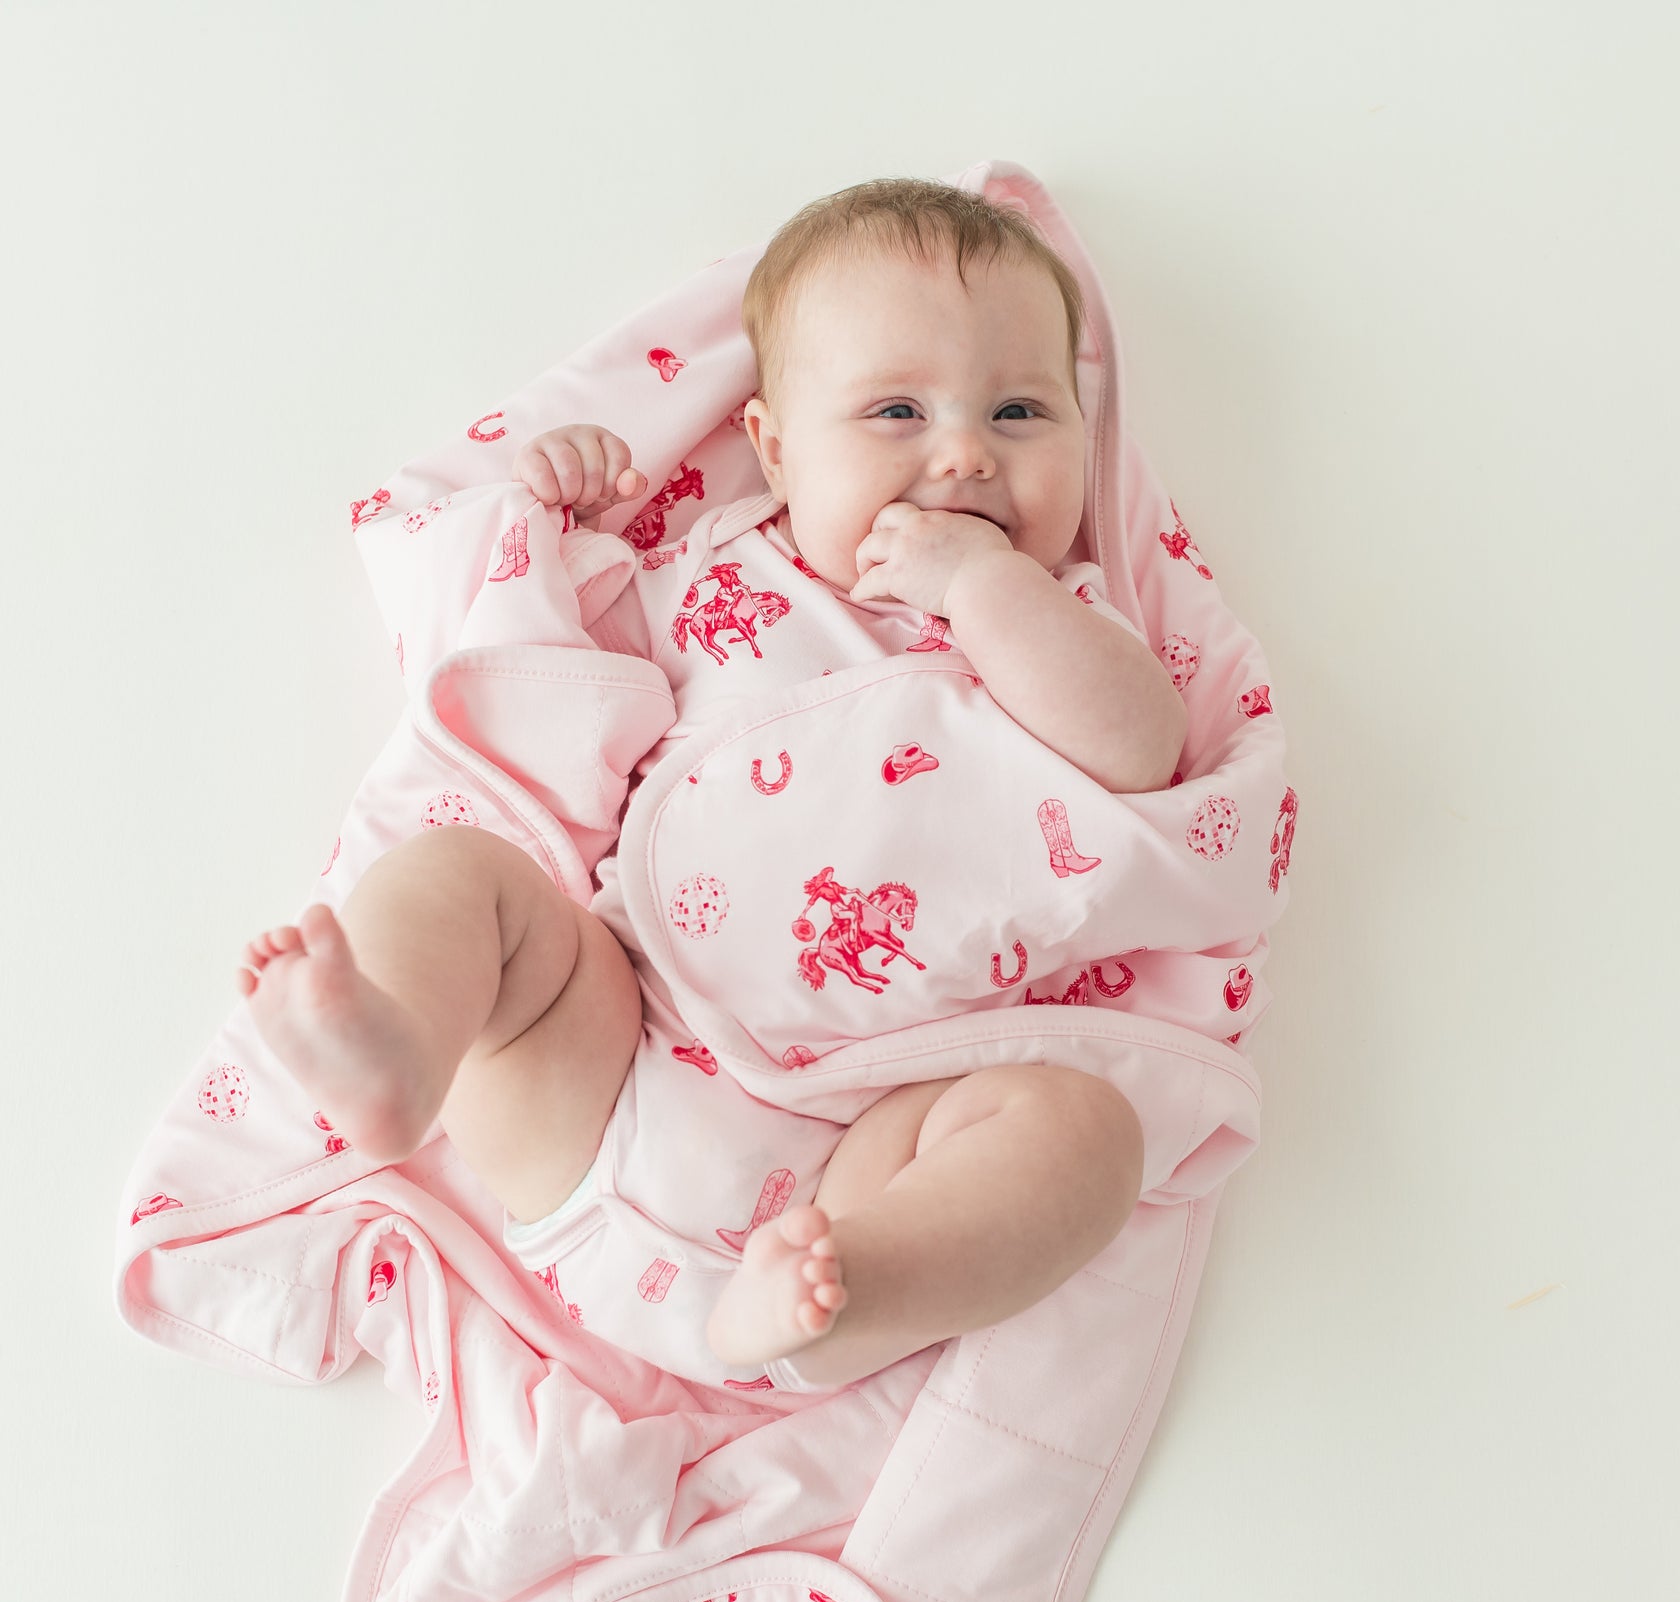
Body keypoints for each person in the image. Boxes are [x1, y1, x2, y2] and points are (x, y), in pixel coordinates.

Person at [234, 178, 1186, 1391]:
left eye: (1018, 411)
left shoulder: (1062, 621)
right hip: (614, 1055)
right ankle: (398, 1049)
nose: (962, 453)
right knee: (465, 881)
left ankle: (865, 1286)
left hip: (861, 1142)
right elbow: (546, 672)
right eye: (896, 411)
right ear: (777, 450)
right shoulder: (715, 574)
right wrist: (554, 515)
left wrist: (984, 589)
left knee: (1086, 1140)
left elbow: (1141, 748)